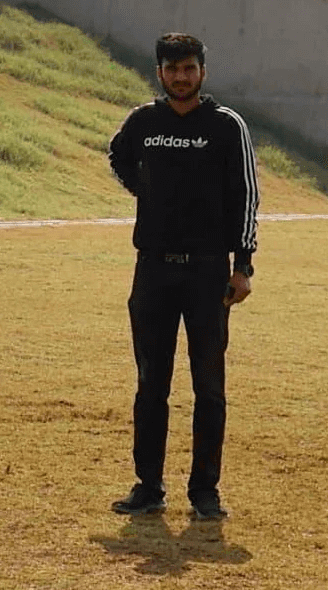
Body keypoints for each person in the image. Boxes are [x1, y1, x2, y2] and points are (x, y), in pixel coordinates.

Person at [106, 32, 258, 522]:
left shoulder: (226, 125)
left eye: (189, 68)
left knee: (208, 388)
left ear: (202, 72)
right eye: (172, 69)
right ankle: (148, 487)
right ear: (160, 73)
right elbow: (118, 157)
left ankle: (204, 492)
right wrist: (145, 189)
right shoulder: (143, 122)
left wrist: (243, 266)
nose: (181, 77)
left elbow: (246, 198)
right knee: (152, 384)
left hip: (208, 275)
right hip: (152, 271)